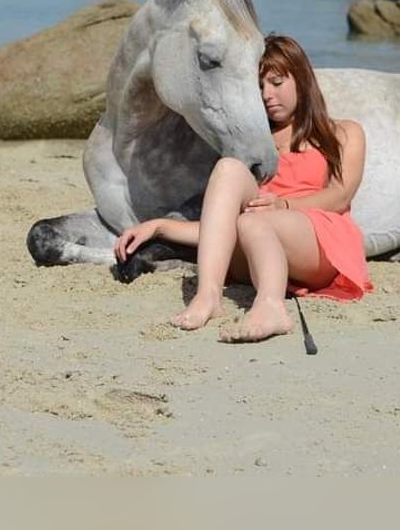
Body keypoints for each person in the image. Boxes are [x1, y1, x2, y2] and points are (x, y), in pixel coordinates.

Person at [113, 34, 373, 343]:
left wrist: (284, 206)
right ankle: (209, 295)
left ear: (302, 79)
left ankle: (271, 307)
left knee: (253, 222)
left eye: (276, 83)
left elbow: (341, 195)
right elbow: (222, 226)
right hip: (255, 239)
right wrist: (159, 227)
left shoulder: (344, 132)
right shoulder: (255, 144)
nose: (267, 95)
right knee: (229, 169)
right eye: (259, 87)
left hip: (318, 240)